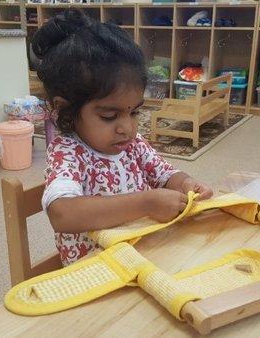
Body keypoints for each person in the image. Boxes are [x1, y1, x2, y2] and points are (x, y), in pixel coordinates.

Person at [33, 9, 213, 266]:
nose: (127, 128)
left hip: (145, 255)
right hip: (97, 272)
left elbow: (165, 174)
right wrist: (146, 203)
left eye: (135, 111)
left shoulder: (133, 144)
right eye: (109, 116)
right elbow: (62, 214)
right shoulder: (68, 151)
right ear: (66, 111)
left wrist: (187, 183)